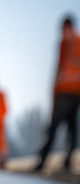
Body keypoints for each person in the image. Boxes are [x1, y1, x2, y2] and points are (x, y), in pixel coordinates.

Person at [35, 16, 80, 171]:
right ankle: (68, 160)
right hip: (77, 91)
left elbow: (60, 66)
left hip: (64, 89)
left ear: (65, 26)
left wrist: (54, 90)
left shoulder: (65, 41)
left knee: (53, 126)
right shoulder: (79, 39)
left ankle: (42, 160)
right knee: (72, 126)